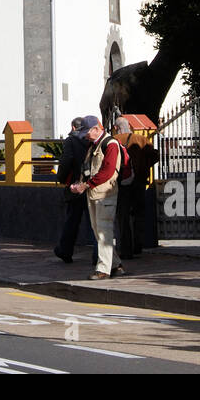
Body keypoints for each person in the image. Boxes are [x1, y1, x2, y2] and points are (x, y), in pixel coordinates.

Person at [69, 116, 123, 280]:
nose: (85, 136)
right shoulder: (93, 146)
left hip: (105, 194)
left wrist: (85, 185)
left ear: (96, 129)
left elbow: (107, 171)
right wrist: (80, 184)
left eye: (87, 132)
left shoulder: (110, 145)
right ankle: (115, 265)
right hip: (93, 193)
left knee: (104, 230)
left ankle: (103, 269)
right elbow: (88, 169)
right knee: (98, 230)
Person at [53, 117, 96, 266]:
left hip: (76, 186)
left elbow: (65, 162)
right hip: (93, 184)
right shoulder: (93, 140)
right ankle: (98, 255)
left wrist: (62, 178)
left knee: (72, 220)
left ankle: (65, 250)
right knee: (95, 222)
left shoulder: (71, 141)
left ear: (73, 127)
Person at [111, 117, 141, 260]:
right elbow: (154, 156)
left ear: (116, 128)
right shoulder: (140, 139)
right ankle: (139, 245)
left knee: (123, 217)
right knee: (138, 215)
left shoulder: (114, 141)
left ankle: (126, 249)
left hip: (122, 183)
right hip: (139, 183)